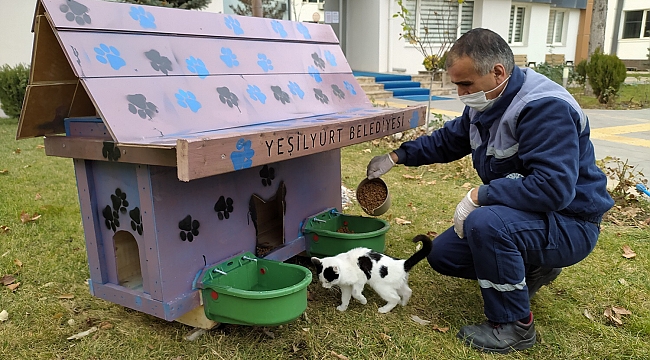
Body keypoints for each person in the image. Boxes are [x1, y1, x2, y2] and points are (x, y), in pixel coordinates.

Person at [366, 28, 614, 354]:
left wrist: (478, 196)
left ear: (497, 71)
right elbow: (449, 140)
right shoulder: (487, 102)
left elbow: (554, 188)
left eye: (465, 84)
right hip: (531, 216)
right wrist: (397, 157)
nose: (460, 93)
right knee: (441, 254)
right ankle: (533, 268)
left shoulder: (544, 108)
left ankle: (513, 325)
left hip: (570, 221)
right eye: (457, 84)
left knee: (486, 224)